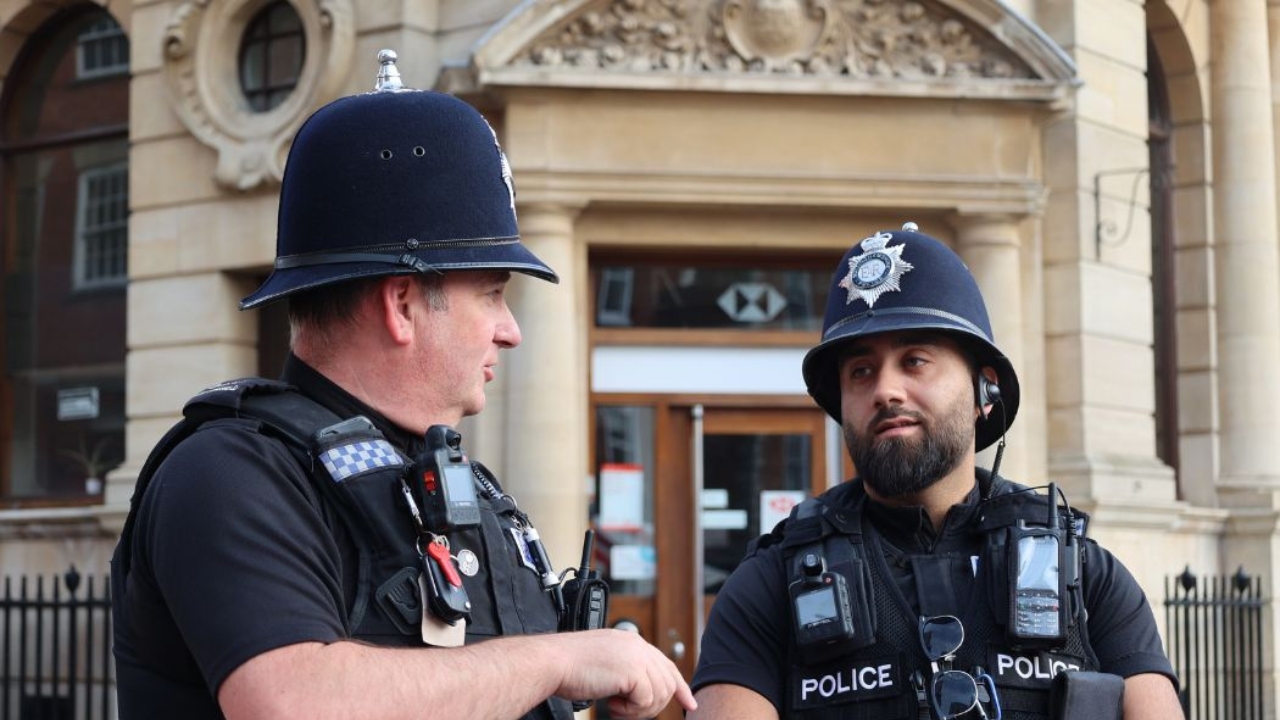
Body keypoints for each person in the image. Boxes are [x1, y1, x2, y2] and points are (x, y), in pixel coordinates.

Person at [111, 50, 695, 720]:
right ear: (403, 304)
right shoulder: (230, 473)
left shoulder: (453, 488)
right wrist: (559, 660)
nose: (510, 331)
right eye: (492, 294)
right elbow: (292, 704)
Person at [687, 223, 1183, 720]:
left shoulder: (1085, 577)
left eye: (915, 360)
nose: (885, 390)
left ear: (985, 391)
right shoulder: (770, 584)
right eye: (861, 371)